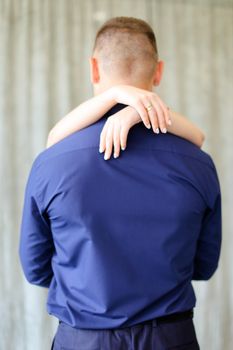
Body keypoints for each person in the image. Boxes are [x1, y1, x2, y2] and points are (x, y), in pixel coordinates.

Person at [19, 17, 222, 350]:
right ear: (158, 72)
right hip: (170, 339)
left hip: (82, 340)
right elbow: (204, 265)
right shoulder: (199, 163)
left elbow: (36, 268)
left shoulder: (51, 162)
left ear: (94, 69)